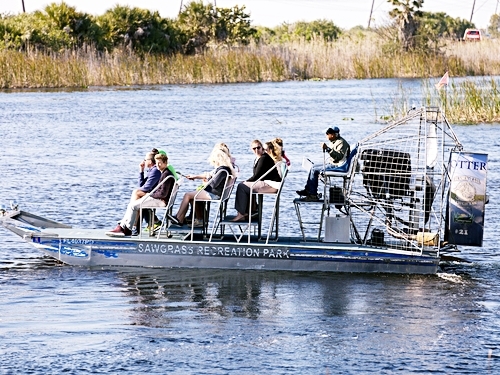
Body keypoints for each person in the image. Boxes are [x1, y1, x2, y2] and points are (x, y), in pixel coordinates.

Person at [106, 153, 175, 236]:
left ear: (165, 163)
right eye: (157, 163)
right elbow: (150, 188)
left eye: (160, 163)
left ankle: (127, 228)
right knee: (132, 204)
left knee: (133, 206)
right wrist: (151, 194)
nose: (158, 165)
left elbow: (163, 194)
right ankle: (124, 226)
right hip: (159, 199)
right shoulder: (164, 173)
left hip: (161, 201)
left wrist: (150, 194)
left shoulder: (166, 174)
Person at [169, 144, 236, 227]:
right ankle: (195, 219)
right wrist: (197, 177)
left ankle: (179, 218)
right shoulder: (224, 169)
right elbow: (211, 177)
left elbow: (213, 184)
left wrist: (206, 182)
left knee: (187, 195)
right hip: (215, 193)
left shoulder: (222, 170)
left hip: (214, 194)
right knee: (192, 198)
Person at [231, 139, 282, 222]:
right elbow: (257, 177)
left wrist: (245, 182)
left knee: (242, 186)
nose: (257, 150)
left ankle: (241, 214)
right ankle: (252, 210)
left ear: (262, 148)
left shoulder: (263, 158)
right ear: (252, 150)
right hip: (267, 182)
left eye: (258, 147)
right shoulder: (259, 158)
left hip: (272, 185)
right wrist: (247, 182)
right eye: (254, 149)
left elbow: (256, 176)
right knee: (247, 186)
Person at [296, 126, 350, 200]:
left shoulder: (341, 142)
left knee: (314, 170)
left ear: (333, 134)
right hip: (333, 163)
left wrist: (327, 148)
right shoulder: (335, 141)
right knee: (313, 167)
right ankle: (308, 190)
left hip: (338, 165)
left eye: (327, 133)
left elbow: (339, 157)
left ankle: (313, 195)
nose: (326, 135)